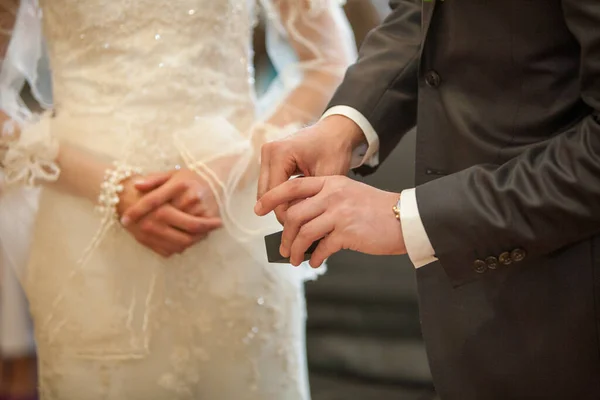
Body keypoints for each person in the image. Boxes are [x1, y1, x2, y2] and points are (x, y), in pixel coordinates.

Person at [0, 0, 357, 399]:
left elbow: (329, 61)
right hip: (88, 228)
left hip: (233, 223)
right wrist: (109, 187)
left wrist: (228, 171)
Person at [255, 0, 600, 399]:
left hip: (570, 301)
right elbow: (423, 14)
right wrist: (345, 123)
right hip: (473, 321)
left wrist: (408, 218)